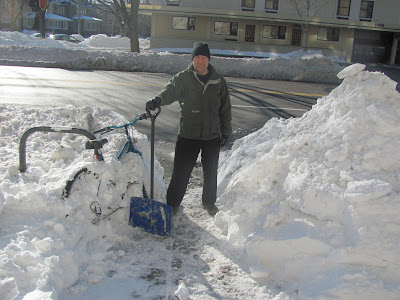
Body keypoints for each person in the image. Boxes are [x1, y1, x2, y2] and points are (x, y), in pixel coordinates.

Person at [145, 42, 232, 216]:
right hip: (188, 135)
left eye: (204, 58)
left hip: (212, 135)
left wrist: (226, 131)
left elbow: (225, 108)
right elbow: (170, 91)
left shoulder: (218, 81)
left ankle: (209, 202)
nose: (201, 62)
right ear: (192, 59)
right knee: (181, 173)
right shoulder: (183, 78)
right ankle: (172, 204)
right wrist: (158, 100)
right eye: (197, 58)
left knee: (211, 173)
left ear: (209, 60)